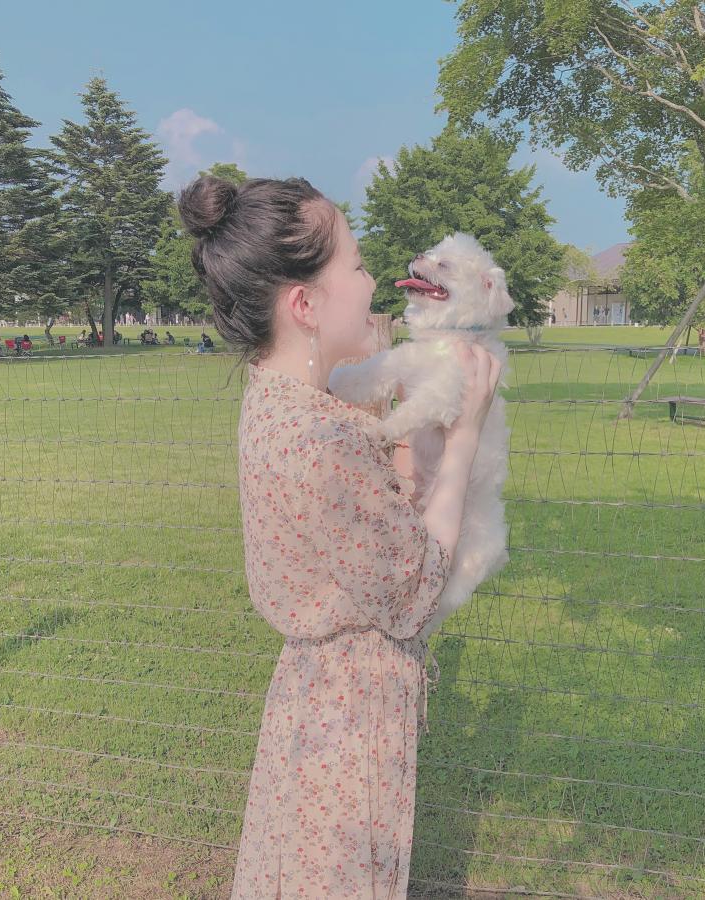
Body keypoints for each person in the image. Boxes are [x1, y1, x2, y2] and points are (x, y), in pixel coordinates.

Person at [178, 175, 499, 899]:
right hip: (349, 719)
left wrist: (391, 403)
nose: (371, 282)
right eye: (355, 266)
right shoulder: (321, 440)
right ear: (305, 304)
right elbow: (417, 586)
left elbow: (378, 503)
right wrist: (467, 431)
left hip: (313, 701)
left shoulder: (284, 402)